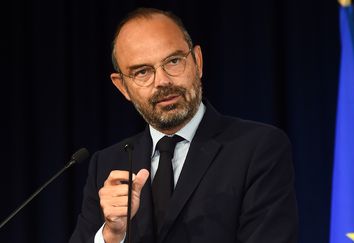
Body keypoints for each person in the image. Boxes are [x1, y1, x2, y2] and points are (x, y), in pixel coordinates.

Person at [69, 7, 298, 243]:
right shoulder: (106, 164)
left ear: (197, 62)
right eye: (142, 72)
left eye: (174, 61)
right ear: (122, 87)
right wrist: (111, 235)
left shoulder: (258, 148)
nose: (163, 81)